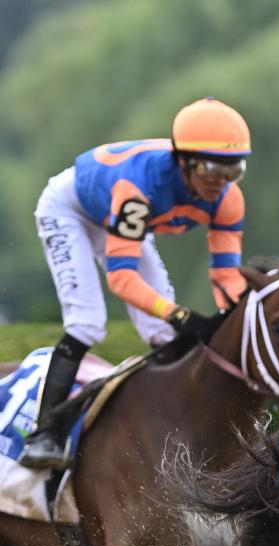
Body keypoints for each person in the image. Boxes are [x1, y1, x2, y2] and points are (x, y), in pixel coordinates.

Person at [20, 97, 252, 470]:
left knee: (162, 334)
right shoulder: (139, 188)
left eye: (233, 170)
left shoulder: (228, 200)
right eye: (211, 168)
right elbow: (122, 278)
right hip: (72, 210)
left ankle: (170, 428)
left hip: (119, 216)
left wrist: (237, 318)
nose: (220, 182)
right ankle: (44, 433)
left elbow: (226, 276)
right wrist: (179, 314)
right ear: (184, 161)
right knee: (86, 322)